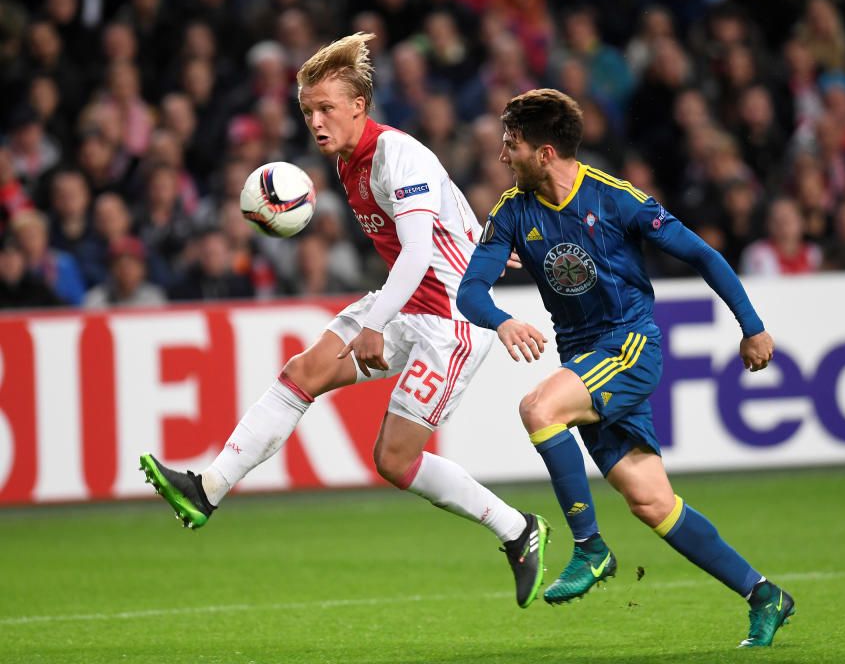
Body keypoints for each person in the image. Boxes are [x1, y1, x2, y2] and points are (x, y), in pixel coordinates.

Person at [139, 33, 550, 609]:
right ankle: (206, 489)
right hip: (407, 301)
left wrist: (377, 324)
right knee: (303, 372)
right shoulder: (347, 160)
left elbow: (413, 251)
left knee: (394, 459)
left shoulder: (395, 155)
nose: (315, 120)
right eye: (308, 110)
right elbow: (440, 216)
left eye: (326, 107)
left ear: (360, 105)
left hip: (452, 323)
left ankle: (516, 528)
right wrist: (479, 244)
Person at [456, 89, 795, 647]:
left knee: (538, 408)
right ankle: (764, 595)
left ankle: (589, 548)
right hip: (583, 358)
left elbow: (703, 255)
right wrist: (502, 320)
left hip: (628, 344)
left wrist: (751, 326)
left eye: (510, 145)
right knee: (651, 502)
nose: (501, 156)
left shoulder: (615, 199)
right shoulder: (513, 210)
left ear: (544, 153)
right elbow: (470, 291)